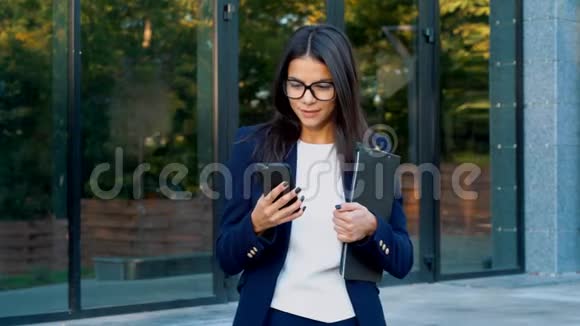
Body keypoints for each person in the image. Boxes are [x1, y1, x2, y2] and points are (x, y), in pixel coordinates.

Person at [216, 24, 413, 326]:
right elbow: (227, 258)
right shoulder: (251, 147)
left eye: (321, 86)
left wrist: (373, 228)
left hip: (353, 318)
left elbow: (402, 260)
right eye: (296, 84)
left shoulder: (372, 158)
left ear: (343, 86)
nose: (306, 99)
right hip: (275, 316)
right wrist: (255, 225)